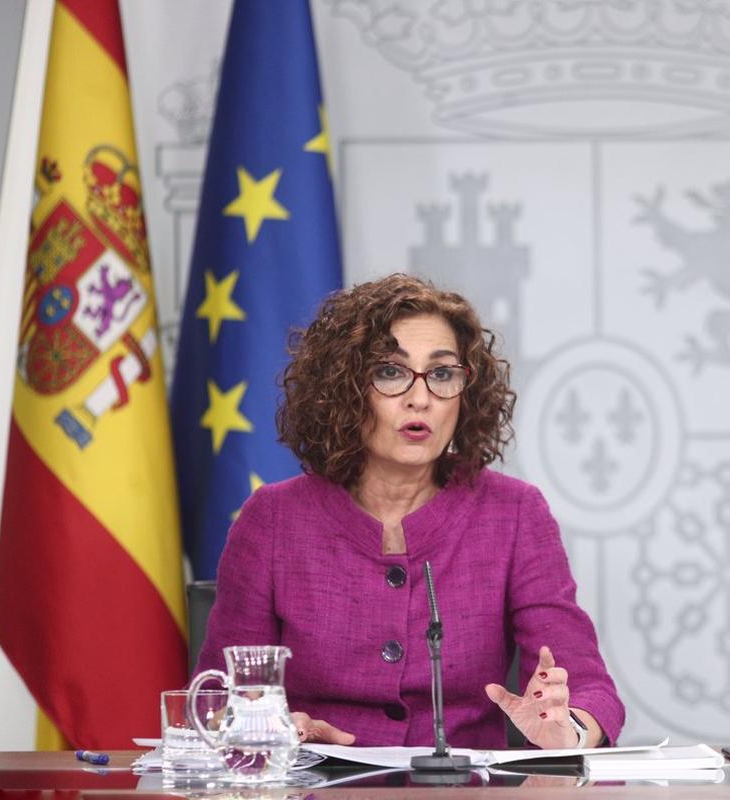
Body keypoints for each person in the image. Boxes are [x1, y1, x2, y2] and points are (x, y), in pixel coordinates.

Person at [194, 273, 624, 749]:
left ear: (466, 394)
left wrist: (570, 730)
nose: (420, 398)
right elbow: (220, 699)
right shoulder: (273, 519)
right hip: (315, 786)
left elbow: (588, 687)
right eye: (391, 372)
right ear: (344, 390)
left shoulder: (514, 513)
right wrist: (274, 728)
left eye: (442, 374)